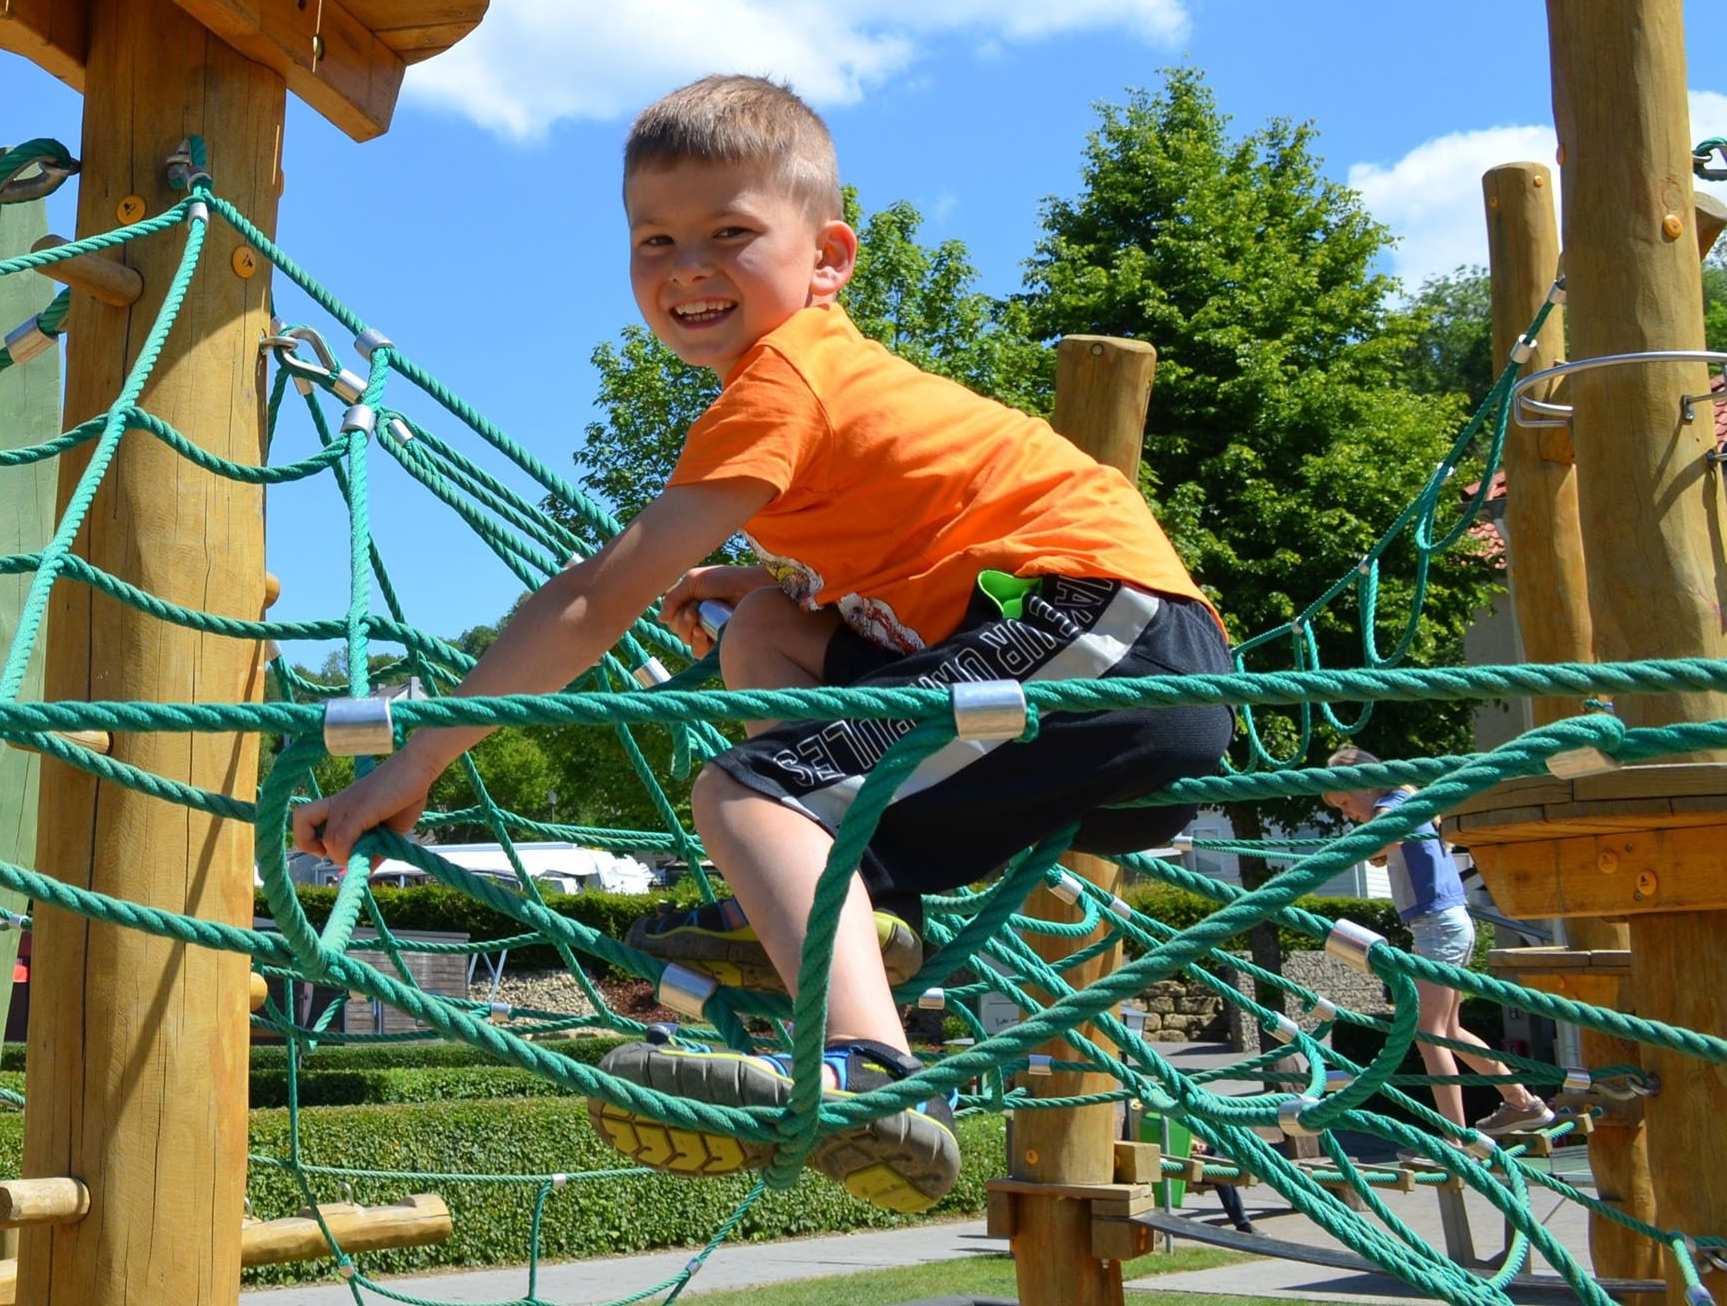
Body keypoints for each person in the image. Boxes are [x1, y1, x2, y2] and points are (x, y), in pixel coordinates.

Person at [291, 74, 1236, 1213]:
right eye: (656, 240)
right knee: (773, 625)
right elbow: (899, 551)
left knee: (743, 793)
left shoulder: (780, 383)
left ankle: (873, 1069)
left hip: (1104, 639)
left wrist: (421, 758)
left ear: (827, 256)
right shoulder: (810, 387)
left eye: (731, 234)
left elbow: (599, 596)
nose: (688, 266)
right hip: (1085, 667)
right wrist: (774, 579)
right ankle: (858, 918)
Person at [1322, 745, 1554, 1139]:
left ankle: (1456, 1140)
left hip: (1439, 928)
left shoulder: (1395, 805)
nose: (1347, 814)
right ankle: (1522, 1103)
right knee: (1448, 1031)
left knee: (1428, 1034)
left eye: (1345, 803)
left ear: (1367, 784)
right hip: (1447, 925)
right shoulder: (1410, 803)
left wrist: (1350, 850)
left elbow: (1379, 838)